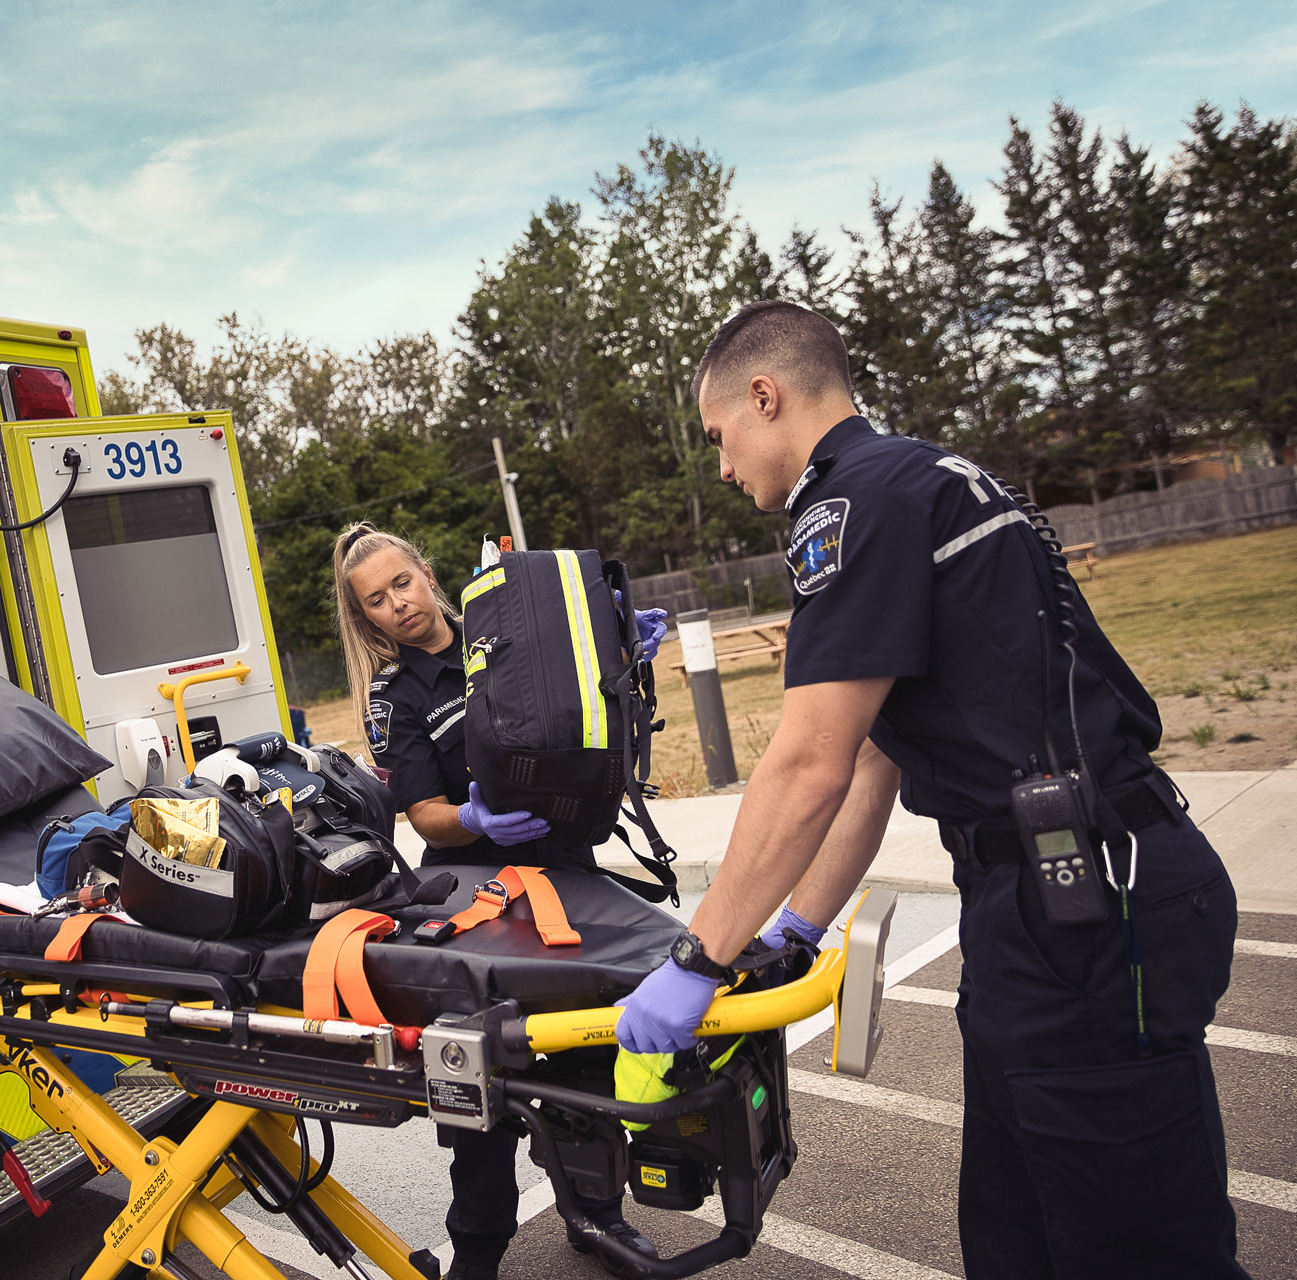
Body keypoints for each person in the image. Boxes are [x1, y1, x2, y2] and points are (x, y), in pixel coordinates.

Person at [614, 300, 1246, 1280]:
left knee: (1141, 1251)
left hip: (1084, 900)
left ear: (765, 395)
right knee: (1017, 1234)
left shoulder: (850, 502)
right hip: (1039, 901)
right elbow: (874, 753)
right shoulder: (923, 475)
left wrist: (703, 953)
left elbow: (809, 756)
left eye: (719, 438)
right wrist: (796, 928)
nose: (726, 467)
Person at [332, 523, 666, 1280]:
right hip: (472, 897)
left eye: (403, 583)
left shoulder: (503, 625)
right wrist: (475, 820)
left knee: (587, 1050)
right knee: (477, 1082)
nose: (398, 605)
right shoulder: (394, 695)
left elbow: (575, 696)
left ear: (426, 570)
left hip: (560, 869)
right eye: (377, 601)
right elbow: (424, 815)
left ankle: (596, 1212)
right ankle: (477, 1254)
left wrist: (620, 653)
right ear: (366, 618)